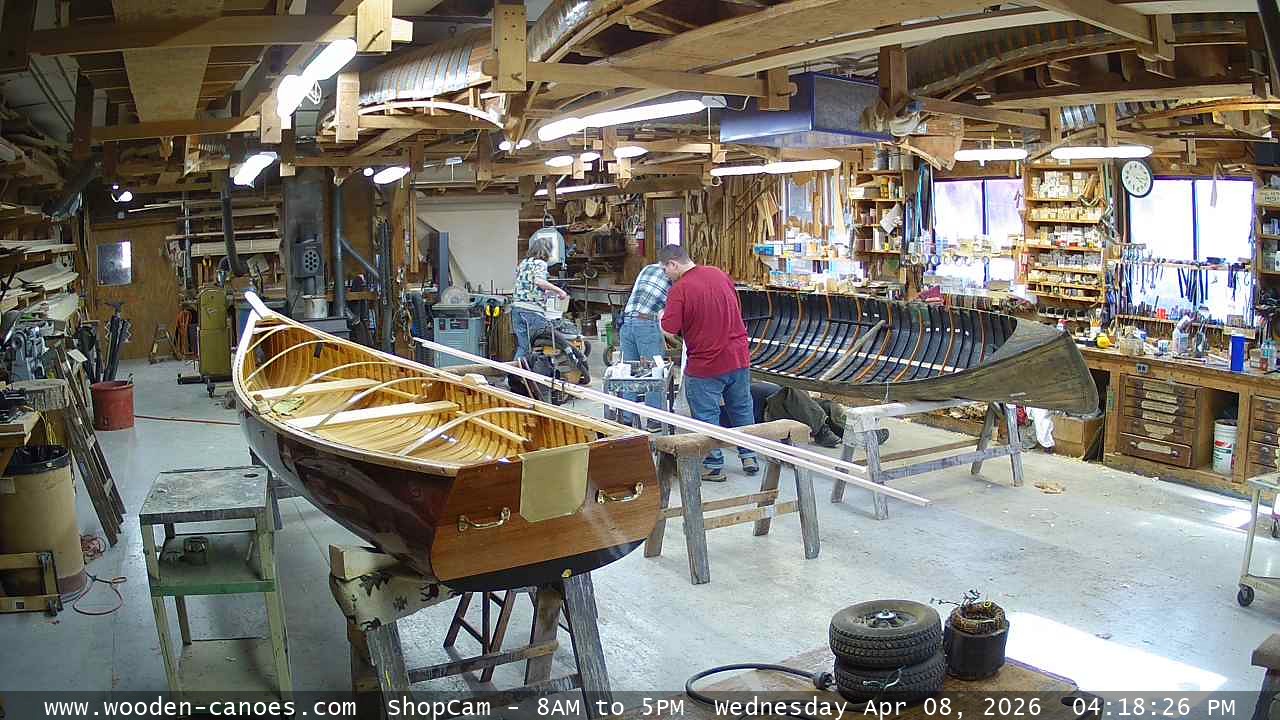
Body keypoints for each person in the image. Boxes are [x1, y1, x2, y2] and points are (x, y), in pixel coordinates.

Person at [658, 244, 759, 481]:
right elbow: (734, 309)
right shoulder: (719, 274)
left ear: (673, 264)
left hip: (706, 364)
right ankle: (749, 456)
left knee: (706, 415)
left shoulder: (680, 289)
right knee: (742, 408)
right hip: (738, 357)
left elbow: (669, 329)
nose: (666, 275)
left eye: (665, 269)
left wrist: (662, 319)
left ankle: (714, 465)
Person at [617, 260, 672, 430]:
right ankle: (654, 420)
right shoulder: (673, 275)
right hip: (646, 323)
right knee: (654, 372)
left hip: (626, 322)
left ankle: (626, 419)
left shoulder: (648, 268)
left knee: (628, 372)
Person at [511, 234, 568, 362]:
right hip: (531, 311)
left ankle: (513, 373)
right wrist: (559, 291)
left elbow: (527, 284)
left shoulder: (523, 263)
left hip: (517, 309)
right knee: (543, 345)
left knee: (524, 347)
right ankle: (544, 370)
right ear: (546, 250)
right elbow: (539, 281)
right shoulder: (540, 263)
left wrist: (545, 292)